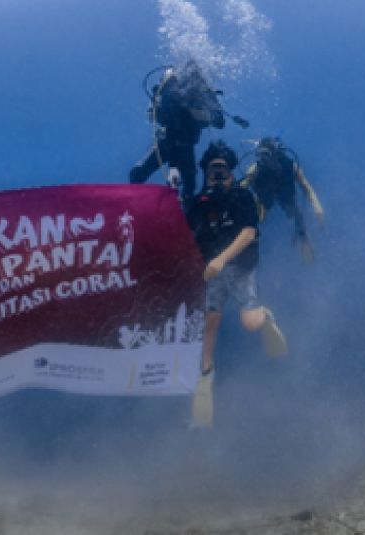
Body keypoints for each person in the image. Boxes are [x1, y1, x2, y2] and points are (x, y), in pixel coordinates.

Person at [186, 141, 287, 428]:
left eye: (223, 170)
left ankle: (264, 315)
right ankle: (205, 376)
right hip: (214, 275)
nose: (217, 177)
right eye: (212, 171)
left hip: (240, 269)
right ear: (205, 173)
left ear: (232, 172)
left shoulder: (242, 197)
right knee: (210, 326)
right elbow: (180, 229)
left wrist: (220, 259)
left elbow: (248, 232)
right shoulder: (197, 203)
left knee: (250, 322)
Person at [129, 60, 229, 204]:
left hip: (185, 146)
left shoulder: (205, 93)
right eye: (190, 75)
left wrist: (201, 114)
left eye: (197, 76)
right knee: (138, 172)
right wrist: (170, 101)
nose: (193, 81)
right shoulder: (170, 88)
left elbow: (220, 121)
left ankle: (182, 216)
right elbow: (155, 115)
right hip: (166, 141)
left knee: (189, 187)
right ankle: (131, 206)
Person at [240, 137, 324, 263]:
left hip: (284, 193)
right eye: (260, 155)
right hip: (264, 196)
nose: (264, 159)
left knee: (295, 213)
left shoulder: (290, 166)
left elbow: (307, 188)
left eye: (266, 154)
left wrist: (318, 209)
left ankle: (303, 237)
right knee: (259, 217)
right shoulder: (256, 168)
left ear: (275, 153)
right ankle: (247, 240)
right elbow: (240, 188)